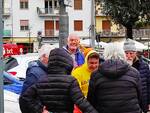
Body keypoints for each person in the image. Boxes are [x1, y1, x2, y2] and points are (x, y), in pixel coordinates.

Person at [19, 48, 98, 113]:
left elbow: (25, 97)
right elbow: (82, 102)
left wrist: (39, 109)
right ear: (67, 62)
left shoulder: (42, 80)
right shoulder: (70, 81)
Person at [87, 42, 143, 113]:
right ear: (122, 54)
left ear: (105, 54)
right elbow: (139, 97)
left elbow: (91, 99)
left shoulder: (96, 74)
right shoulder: (134, 73)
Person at [19, 44, 52, 113]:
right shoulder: (34, 73)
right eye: (51, 57)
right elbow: (24, 99)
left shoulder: (46, 70)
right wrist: (40, 110)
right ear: (43, 56)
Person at [123, 39, 150, 113]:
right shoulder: (120, 66)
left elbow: (148, 84)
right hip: (127, 102)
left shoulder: (144, 65)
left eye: (131, 53)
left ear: (135, 53)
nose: (129, 56)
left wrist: (148, 102)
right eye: (126, 53)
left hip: (142, 101)